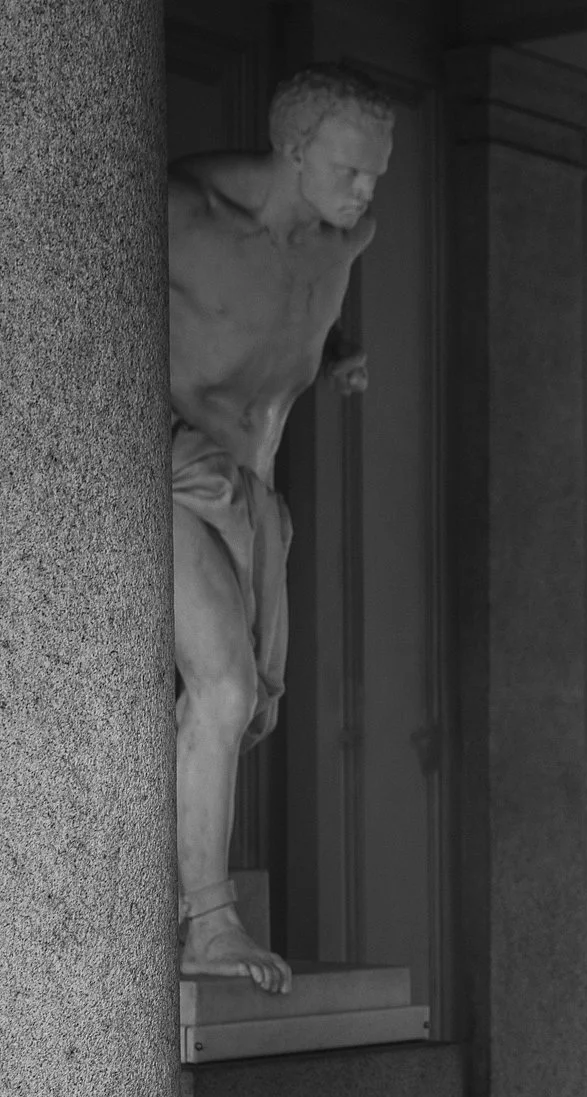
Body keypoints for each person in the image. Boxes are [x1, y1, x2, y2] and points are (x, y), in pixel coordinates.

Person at [169, 65, 395, 991]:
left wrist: (338, 351)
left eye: (376, 174)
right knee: (223, 689)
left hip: (256, 493)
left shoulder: (347, 238)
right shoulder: (183, 213)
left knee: (250, 706)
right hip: (164, 471)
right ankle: (209, 925)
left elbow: (277, 309)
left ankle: (163, 886)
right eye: (350, 170)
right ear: (293, 149)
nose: (365, 191)